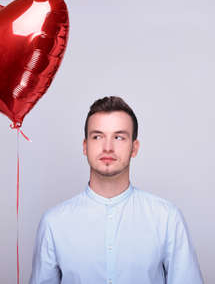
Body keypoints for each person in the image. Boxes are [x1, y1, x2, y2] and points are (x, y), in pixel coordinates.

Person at [29, 96, 203, 284]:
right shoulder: (54, 224)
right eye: (97, 136)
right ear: (85, 146)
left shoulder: (167, 219)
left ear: (134, 148)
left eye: (119, 137)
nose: (108, 147)